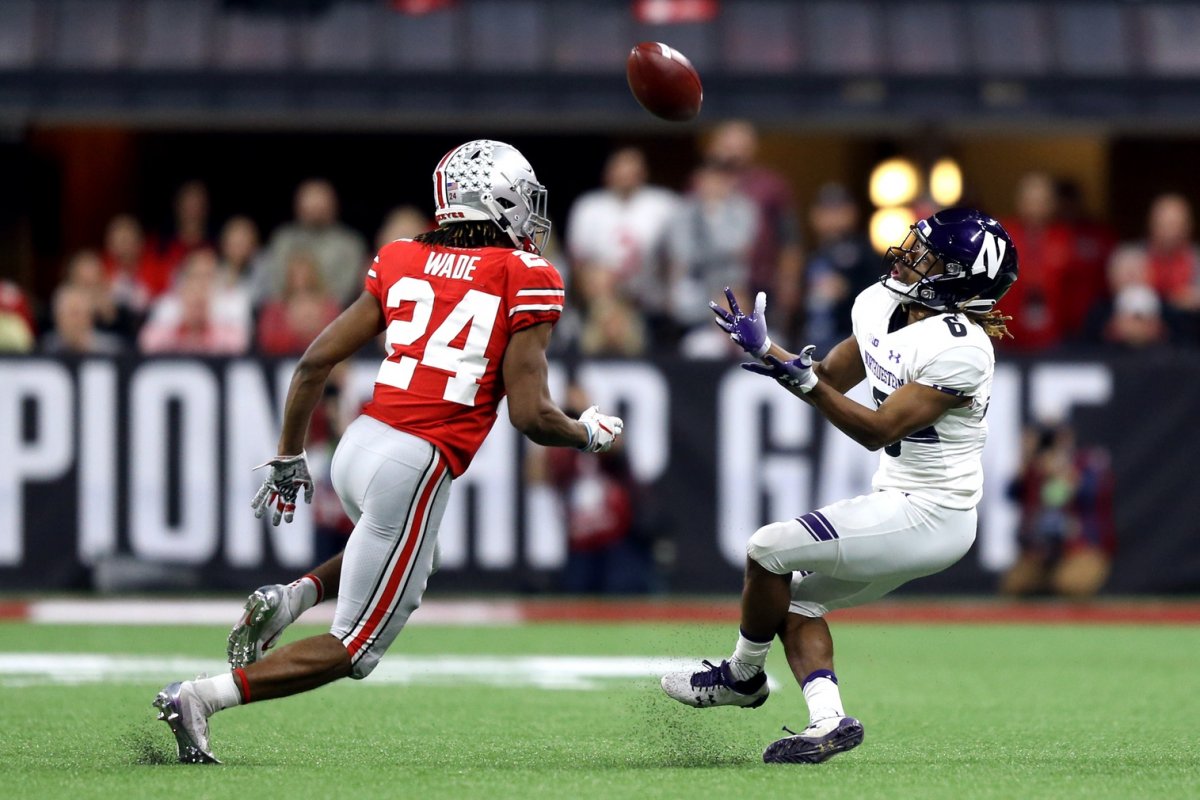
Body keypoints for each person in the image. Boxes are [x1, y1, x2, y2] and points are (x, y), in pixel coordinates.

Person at [153, 139, 625, 764]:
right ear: (497, 200)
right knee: (355, 647)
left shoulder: (403, 257)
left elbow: (314, 361)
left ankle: (292, 597)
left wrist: (290, 456)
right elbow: (531, 414)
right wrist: (586, 433)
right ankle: (203, 697)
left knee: (405, 558)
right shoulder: (528, 275)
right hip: (416, 460)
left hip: (360, 443)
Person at [661, 208, 1018, 764]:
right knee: (794, 604)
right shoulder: (883, 304)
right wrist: (770, 351)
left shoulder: (963, 348)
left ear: (957, 278)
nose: (907, 256)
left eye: (927, 255)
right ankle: (827, 722)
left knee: (767, 548)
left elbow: (876, 430)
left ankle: (741, 675)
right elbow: (828, 378)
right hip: (899, 500)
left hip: (933, 513)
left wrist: (796, 374)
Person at [1000, 422, 1115, 598]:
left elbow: (1096, 492)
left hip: (1079, 547)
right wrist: (1026, 460)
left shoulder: (1085, 463)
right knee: (1015, 584)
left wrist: (1063, 473)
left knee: (1072, 585)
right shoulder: (1033, 468)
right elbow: (1011, 494)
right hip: (1040, 551)